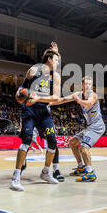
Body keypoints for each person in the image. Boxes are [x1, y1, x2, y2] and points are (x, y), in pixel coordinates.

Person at [10, 42, 63, 191]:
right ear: (50, 60)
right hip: (30, 110)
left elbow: (56, 97)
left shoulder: (56, 76)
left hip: (43, 111)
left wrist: (39, 98)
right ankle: (16, 176)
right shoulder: (34, 70)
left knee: (52, 141)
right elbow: (22, 87)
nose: (58, 63)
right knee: (27, 139)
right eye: (57, 60)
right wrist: (19, 92)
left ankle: (45, 172)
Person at [52, 76, 104, 182]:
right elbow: (62, 100)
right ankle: (81, 167)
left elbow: (89, 103)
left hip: (97, 126)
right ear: (82, 85)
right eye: (87, 84)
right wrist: (48, 103)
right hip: (90, 126)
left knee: (84, 148)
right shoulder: (79, 94)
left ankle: (90, 173)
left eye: (90, 84)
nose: (89, 86)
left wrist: (78, 100)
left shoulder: (93, 95)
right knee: (72, 142)